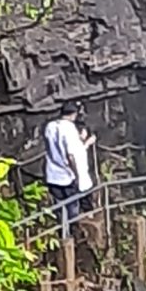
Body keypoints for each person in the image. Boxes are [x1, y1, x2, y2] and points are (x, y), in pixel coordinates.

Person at [43, 100, 93, 238]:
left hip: (52, 174)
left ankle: (62, 235)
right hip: (67, 174)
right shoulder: (69, 129)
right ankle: (72, 236)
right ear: (74, 114)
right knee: (72, 206)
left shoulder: (50, 126)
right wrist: (77, 175)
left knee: (59, 206)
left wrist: (80, 140)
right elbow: (71, 155)